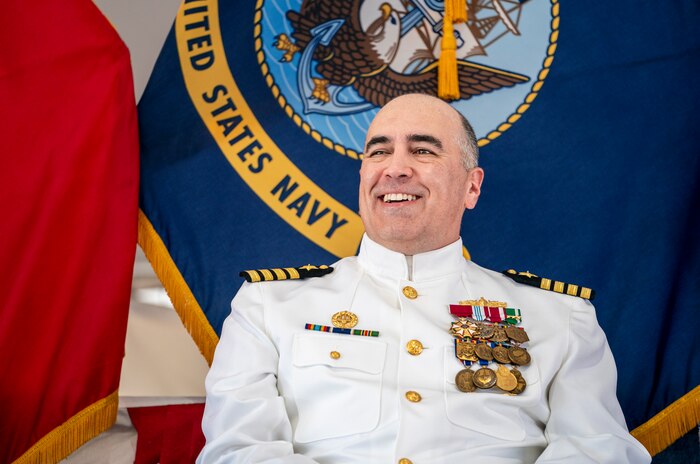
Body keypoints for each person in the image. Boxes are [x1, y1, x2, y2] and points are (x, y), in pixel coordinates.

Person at [197, 94, 651, 463]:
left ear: (472, 186)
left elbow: (597, 451)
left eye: (422, 150)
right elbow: (238, 451)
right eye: (378, 151)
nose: (395, 168)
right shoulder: (267, 305)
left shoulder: (561, 316)